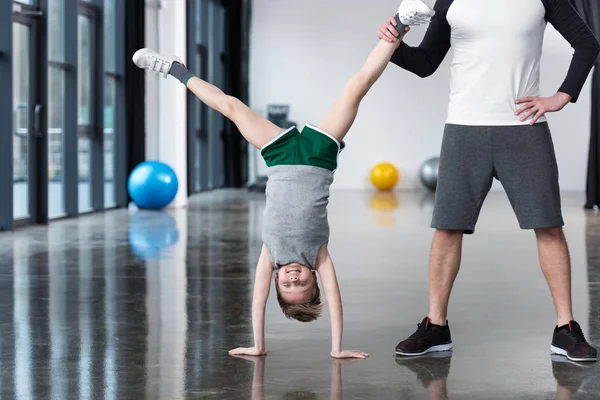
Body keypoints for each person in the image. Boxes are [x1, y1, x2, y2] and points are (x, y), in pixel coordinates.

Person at [132, 1, 433, 359]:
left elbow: (257, 300)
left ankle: (174, 68)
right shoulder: (318, 256)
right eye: (302, 284)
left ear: (276, 281)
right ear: (313, 278)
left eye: (287, 285)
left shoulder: (269, 256)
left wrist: (259, 346)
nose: (293, 279)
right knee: (355, 87)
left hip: (279, 157)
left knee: (230, 106)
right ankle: (401, 23)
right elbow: (335, 299)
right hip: (319, 157)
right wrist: (336, 348)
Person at [377, 0, 600, 361]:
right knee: (447, 228)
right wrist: (394, 45)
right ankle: (436, 326)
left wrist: (563, 96)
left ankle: (566, 329)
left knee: (548, 226)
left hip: (525, 129)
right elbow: (426, 63)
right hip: (464, 130)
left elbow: (587, 44)